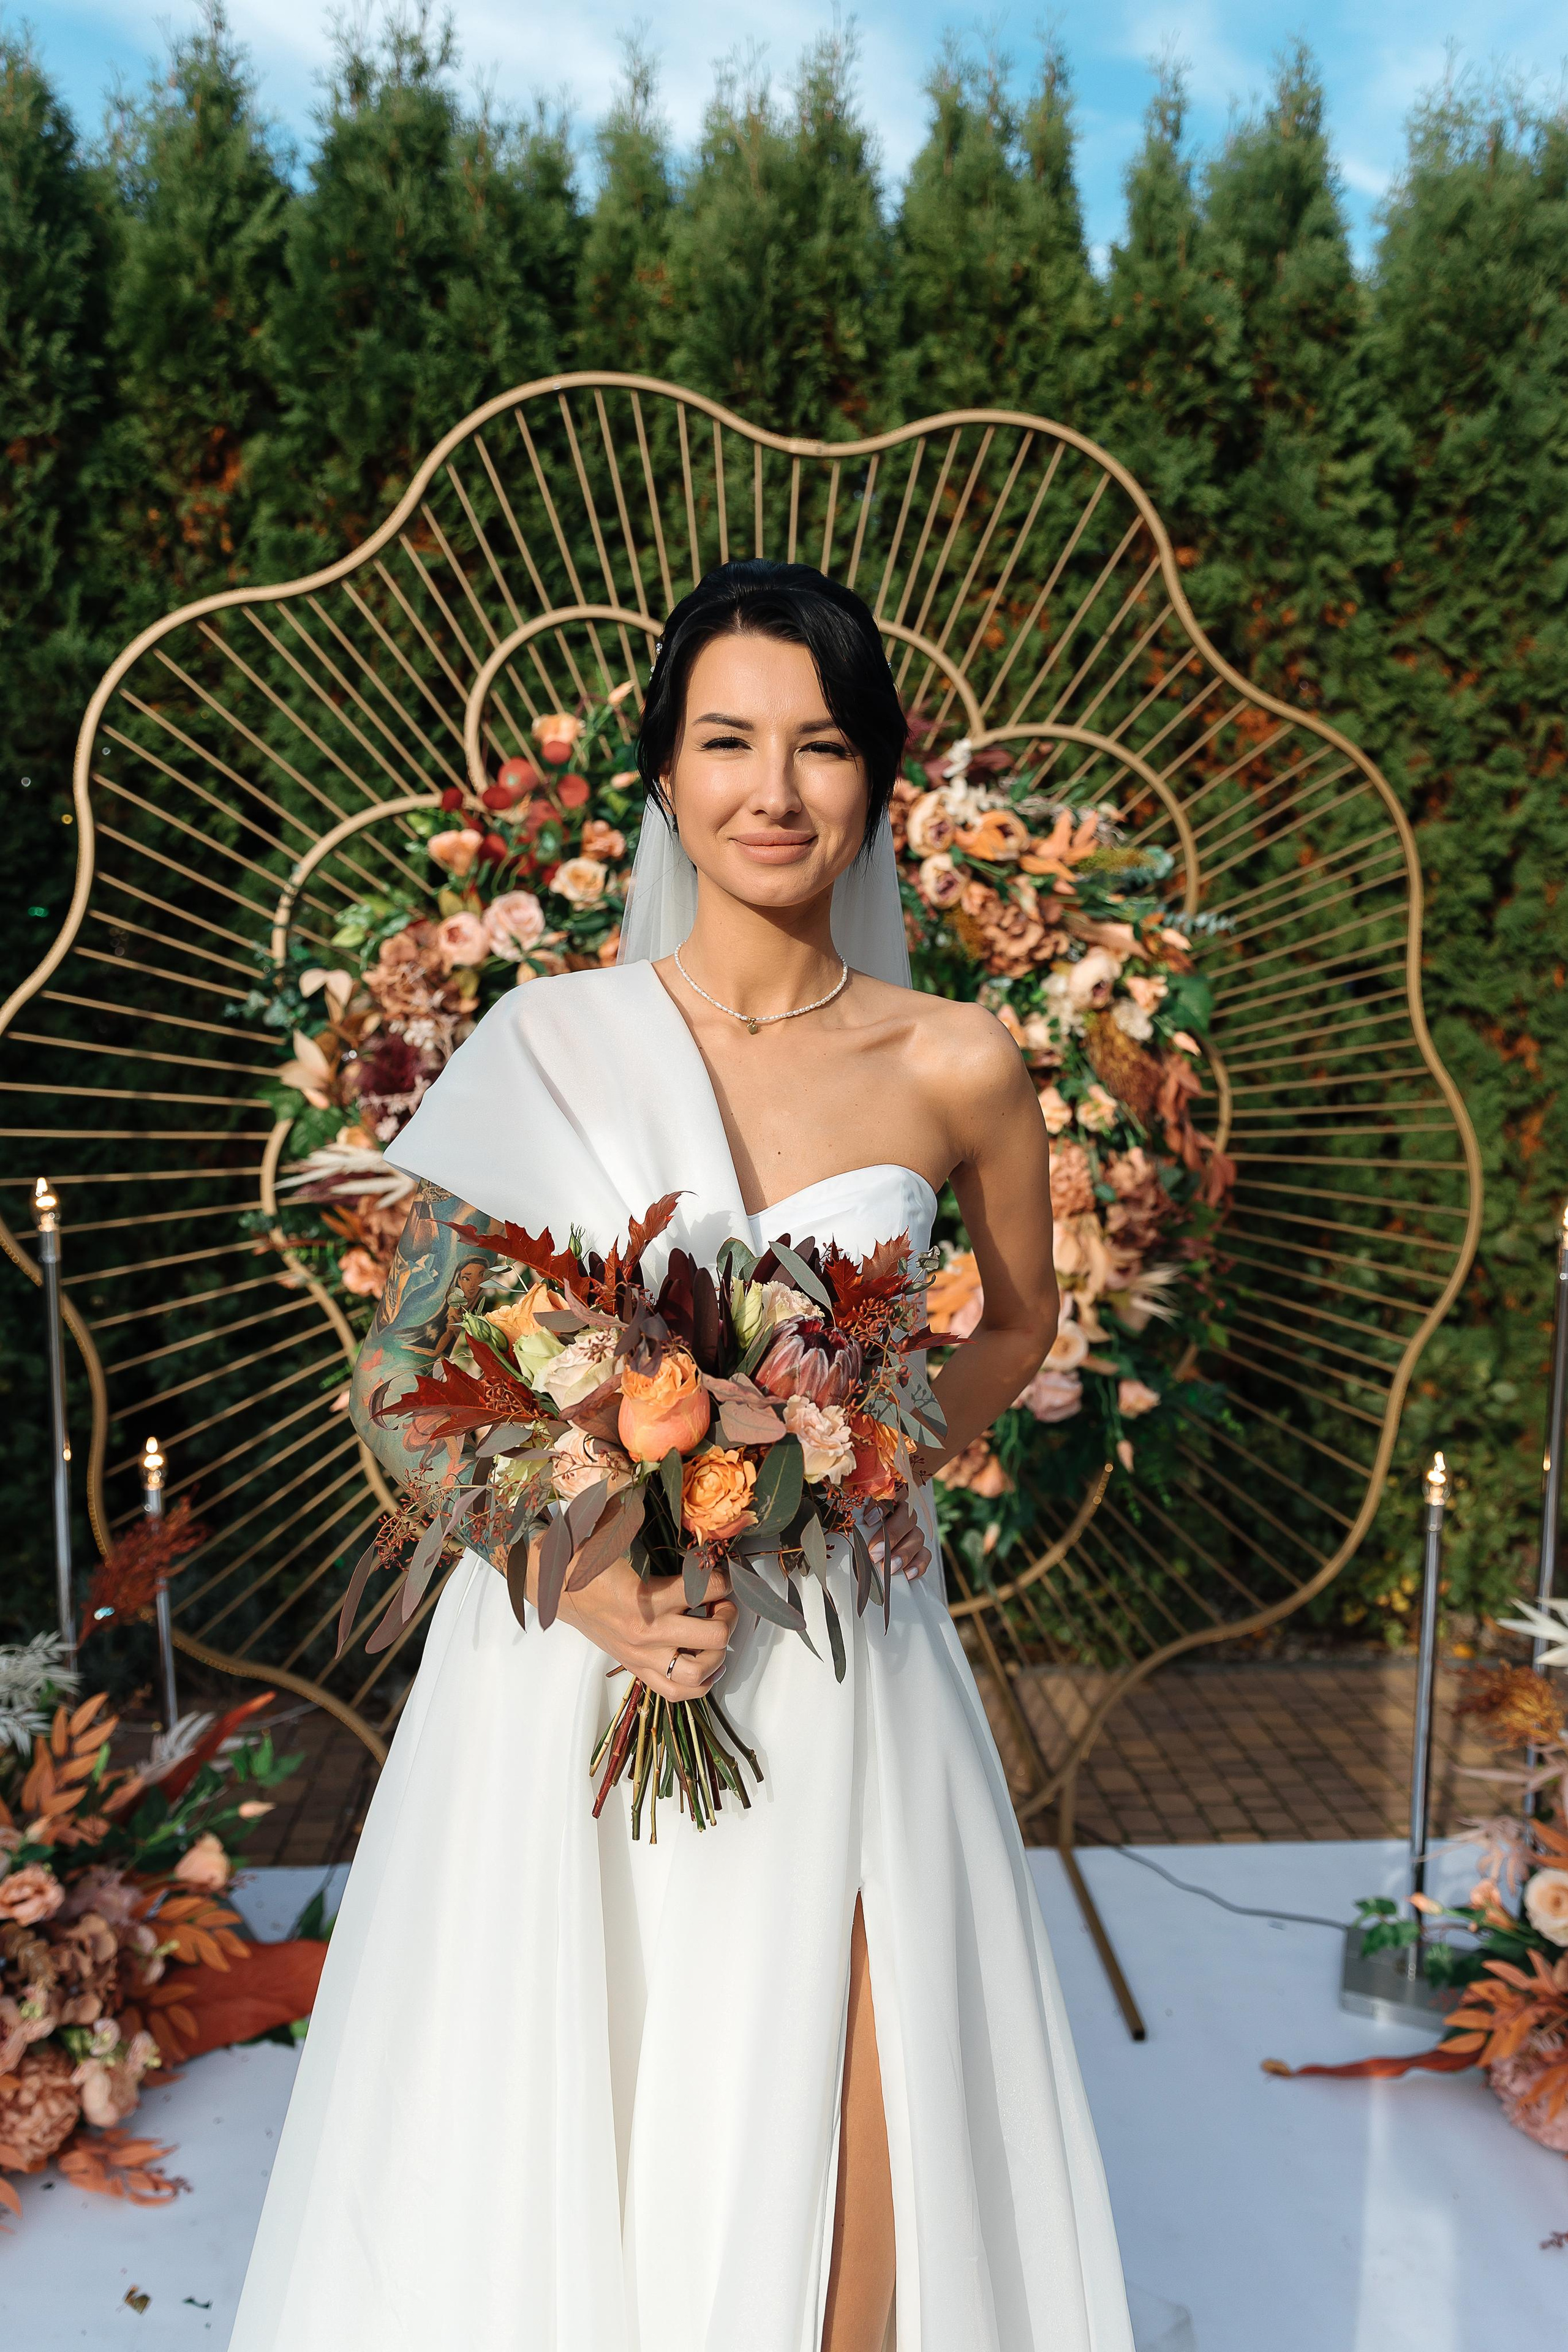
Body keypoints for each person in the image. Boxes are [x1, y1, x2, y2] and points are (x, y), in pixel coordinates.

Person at [228, 560, 1133, 2351]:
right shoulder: (546, 1045)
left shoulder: (961, 1065)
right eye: (727, 741)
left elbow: (1020, 1324)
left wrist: (861, 1453)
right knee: (588, 2129)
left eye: (818, 745)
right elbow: (408, 1384)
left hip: (853, 1668)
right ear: (662, 773)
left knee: (876, 2123)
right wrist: (588, 1586)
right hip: (573, 1681)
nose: (771, 790)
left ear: (880, 777)